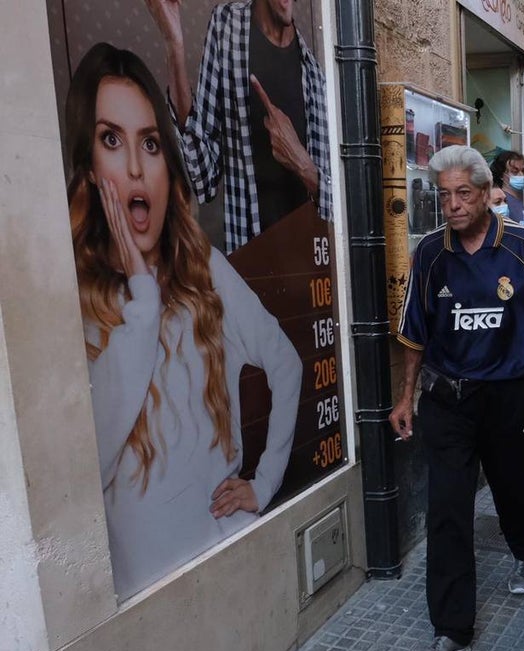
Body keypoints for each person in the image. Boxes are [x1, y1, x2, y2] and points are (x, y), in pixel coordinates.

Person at [65, 43, 302, 599]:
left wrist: (263, 485)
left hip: (232, 568)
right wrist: (142, 305)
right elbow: (85, 468)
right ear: (88, 165)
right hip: (145, 605)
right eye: (110, 140)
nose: (133, 168)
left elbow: (286, 362)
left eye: (150, 143)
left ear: (168, 163)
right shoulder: (72, 304)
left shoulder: (204, 269)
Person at [391, 145, 524, 651]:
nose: (453, 205)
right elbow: (414, 334)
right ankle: (451, 630)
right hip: (448, 401)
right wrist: (405, 397)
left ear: (486, 194)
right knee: (448, 512)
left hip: (507, 397)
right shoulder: (431, 254)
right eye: (444, 196)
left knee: (514, 487)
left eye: (463, 194)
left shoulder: (522, 247)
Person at [145, 0, 332, 253]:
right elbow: (203, 178)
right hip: (250, 266)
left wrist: (301, 162)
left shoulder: (316, 78)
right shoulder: (227, 26)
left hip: (309, 269)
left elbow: (340, 213)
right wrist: (174, 45)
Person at [490, 149, 524, 229]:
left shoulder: (519, 201)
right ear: (502, 175)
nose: (521, 175)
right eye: (514, 171)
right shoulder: (501, 201)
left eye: (523, 171)